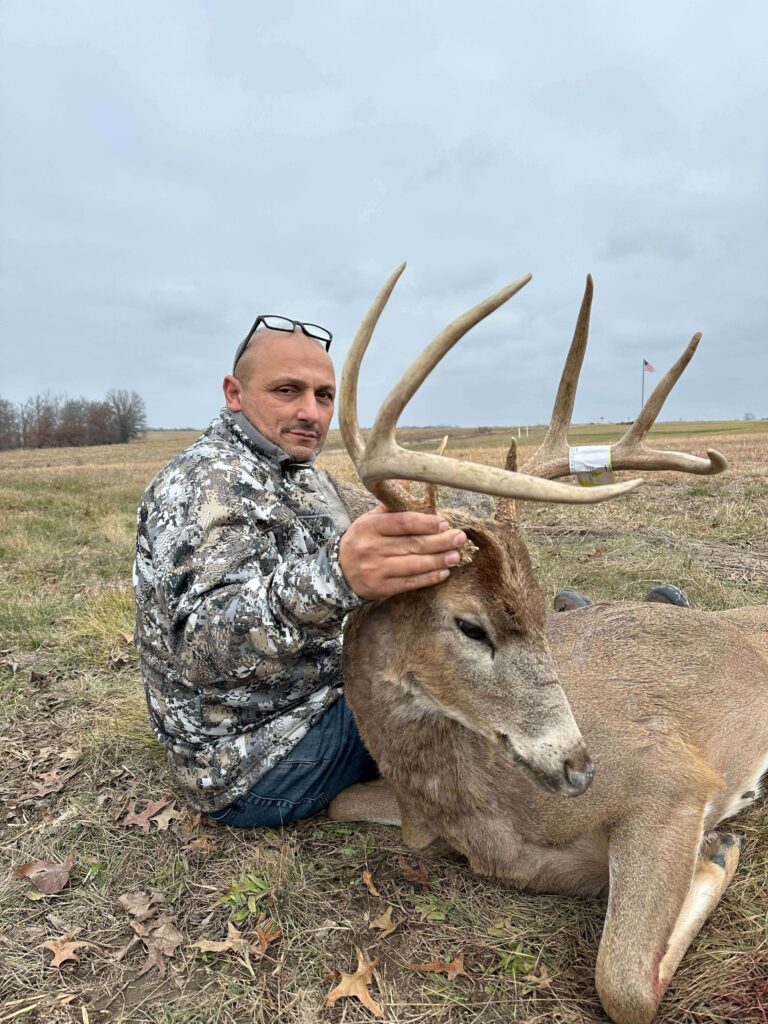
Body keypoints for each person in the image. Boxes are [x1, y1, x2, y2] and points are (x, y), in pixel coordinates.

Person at [133, 314, 468, 828]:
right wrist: (337, 576)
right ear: (234, 393)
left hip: (316, 690)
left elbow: (382, 521)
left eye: (324, 396)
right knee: (465, 697)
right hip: (253, 764)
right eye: (287, 390)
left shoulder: (296, 473)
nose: (310, 412)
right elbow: (203, 652)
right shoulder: (205, 484)